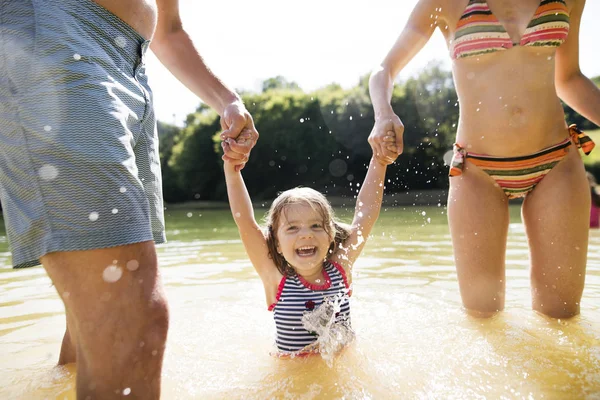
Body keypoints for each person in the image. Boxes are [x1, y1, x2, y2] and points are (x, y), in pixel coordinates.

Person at [0, 0, 256, 398]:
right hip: (55, 32)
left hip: (129, 66)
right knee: (131, 314)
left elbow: (168, 31)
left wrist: (226, 99)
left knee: (94, 317)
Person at [369, 0, 600, 319]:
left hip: (557, 162)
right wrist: (383, 114)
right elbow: (385, 71)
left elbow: (569, 79)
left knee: (561, 319)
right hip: (477, 171)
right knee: (483, 320)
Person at [222, 130, 398, 357]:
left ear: (331, 235)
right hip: (293, 378)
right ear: (276, 242)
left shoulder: (340, 268)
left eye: (316, 226)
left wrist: (379, 161)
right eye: (293, 228)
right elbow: (245, 222)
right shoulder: (276, 278)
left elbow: (365, 215)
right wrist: (232, 171)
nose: (306, 235)